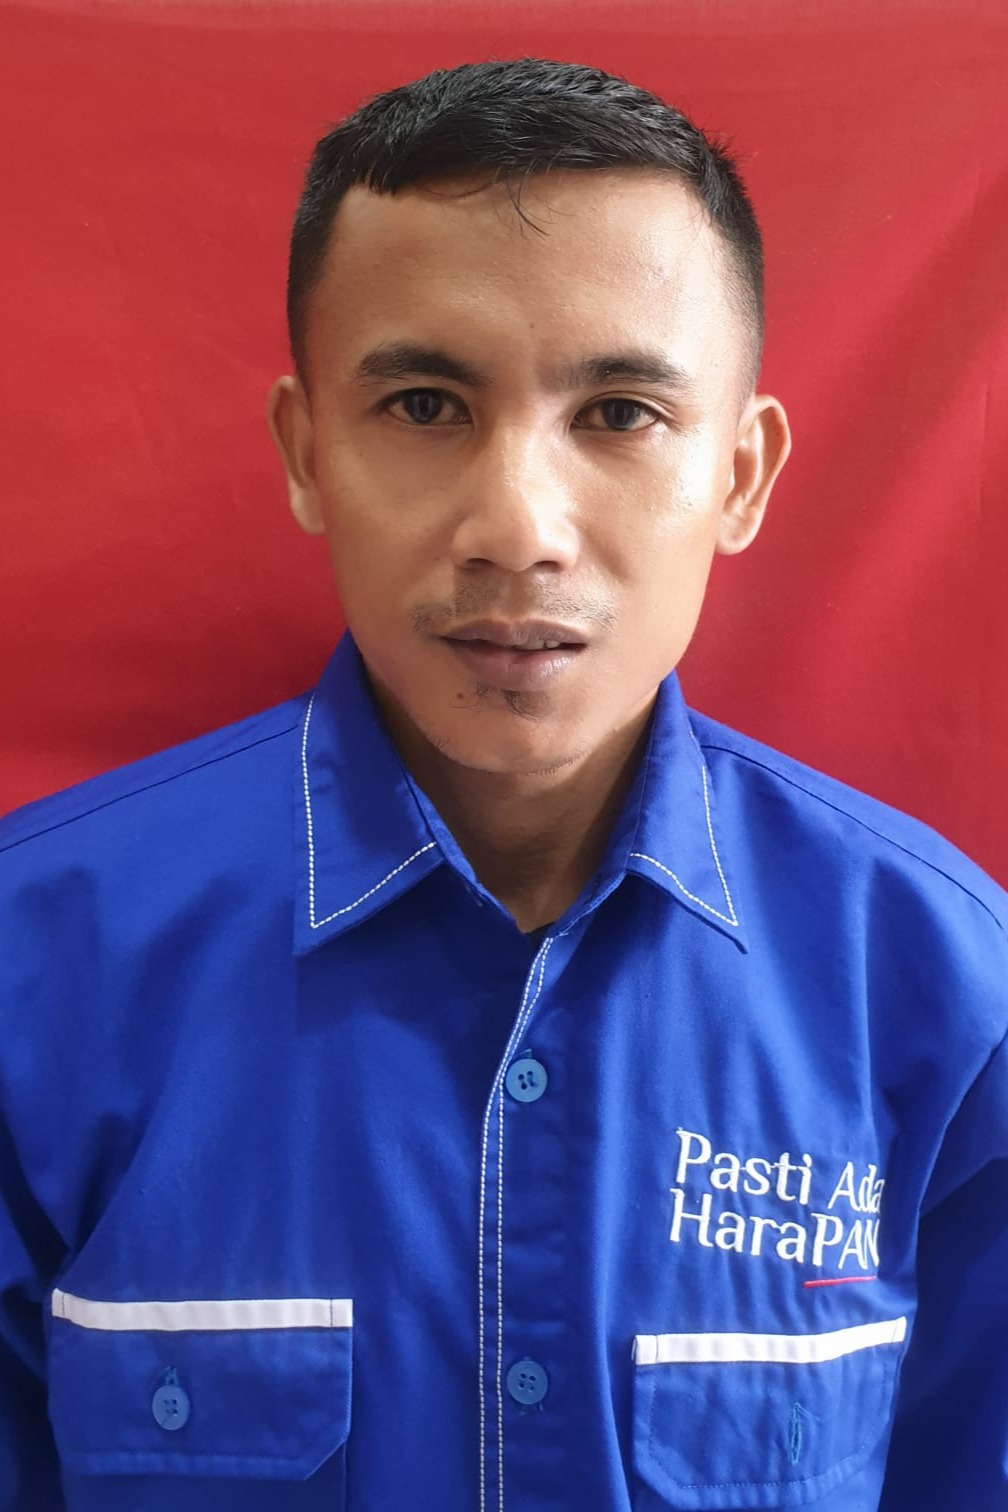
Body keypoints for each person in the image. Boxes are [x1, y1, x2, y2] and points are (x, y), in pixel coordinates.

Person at [0, 53, 1004, 1512]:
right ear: (307, 453)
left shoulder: (948, 991)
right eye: (423, 405)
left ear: (741, 475)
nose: (518, 528)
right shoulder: (34, 967)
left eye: (620, 414)